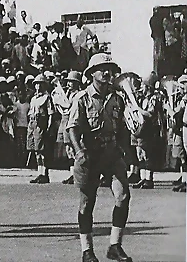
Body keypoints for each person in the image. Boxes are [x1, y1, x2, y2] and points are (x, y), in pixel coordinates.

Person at [66, 53, 132, 262]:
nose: (107, 72)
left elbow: (122, 127)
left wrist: (125, 147)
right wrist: (78, 152)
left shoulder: (117, 98)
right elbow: (72, 128)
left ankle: (115, 245)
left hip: (111, 152)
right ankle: (87, 250)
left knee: (123, 196)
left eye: (109, 68)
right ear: (91, 73)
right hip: (89, 154)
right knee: (87, 203)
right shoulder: (82, 98)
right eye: (102, 68)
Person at [27, 74, 54, 184]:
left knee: (41, 150)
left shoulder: (47, 98)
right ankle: (40, 173)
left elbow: (50, 114)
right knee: (35, 150)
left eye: (40, 84)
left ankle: (44, 174)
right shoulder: (33, 98)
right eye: (36, 84)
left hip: (41, 123)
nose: (38, 86)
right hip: (32, 124)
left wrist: (49, 127)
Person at [59, 71, 82, 184]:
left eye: (72, 82)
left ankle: (76, 174)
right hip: (66, 121)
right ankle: (71, 173)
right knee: (68, 150)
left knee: (74, 149)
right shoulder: (68, 93)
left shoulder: (79, 94)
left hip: (73, 122)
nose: (69, 84)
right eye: (68, 82)